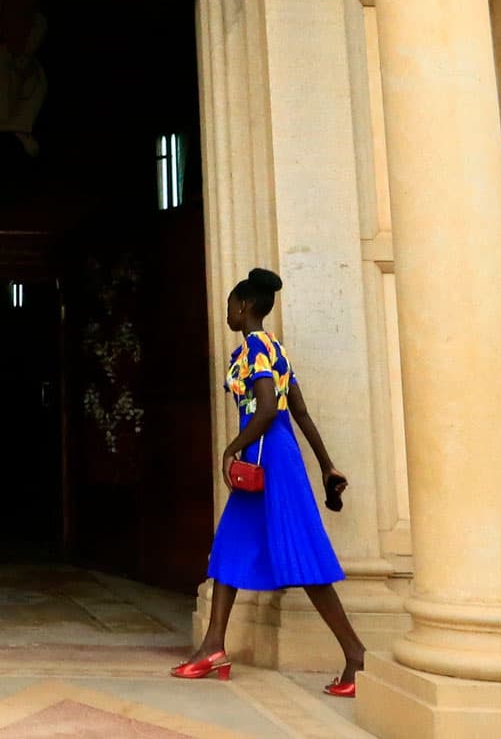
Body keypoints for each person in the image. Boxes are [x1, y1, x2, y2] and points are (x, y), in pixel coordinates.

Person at [172, 268, 367, 697]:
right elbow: (299, 411)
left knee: (305, 559)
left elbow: (264, 410)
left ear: (243, 308)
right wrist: (326, 465)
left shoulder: (255, 349)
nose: (226, 311)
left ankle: (356, 655)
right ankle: (213, 647)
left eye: (228, 305)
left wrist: (230, 448)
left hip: (269, 462)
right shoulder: (275, 349)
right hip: (279, 457)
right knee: (228, 549)